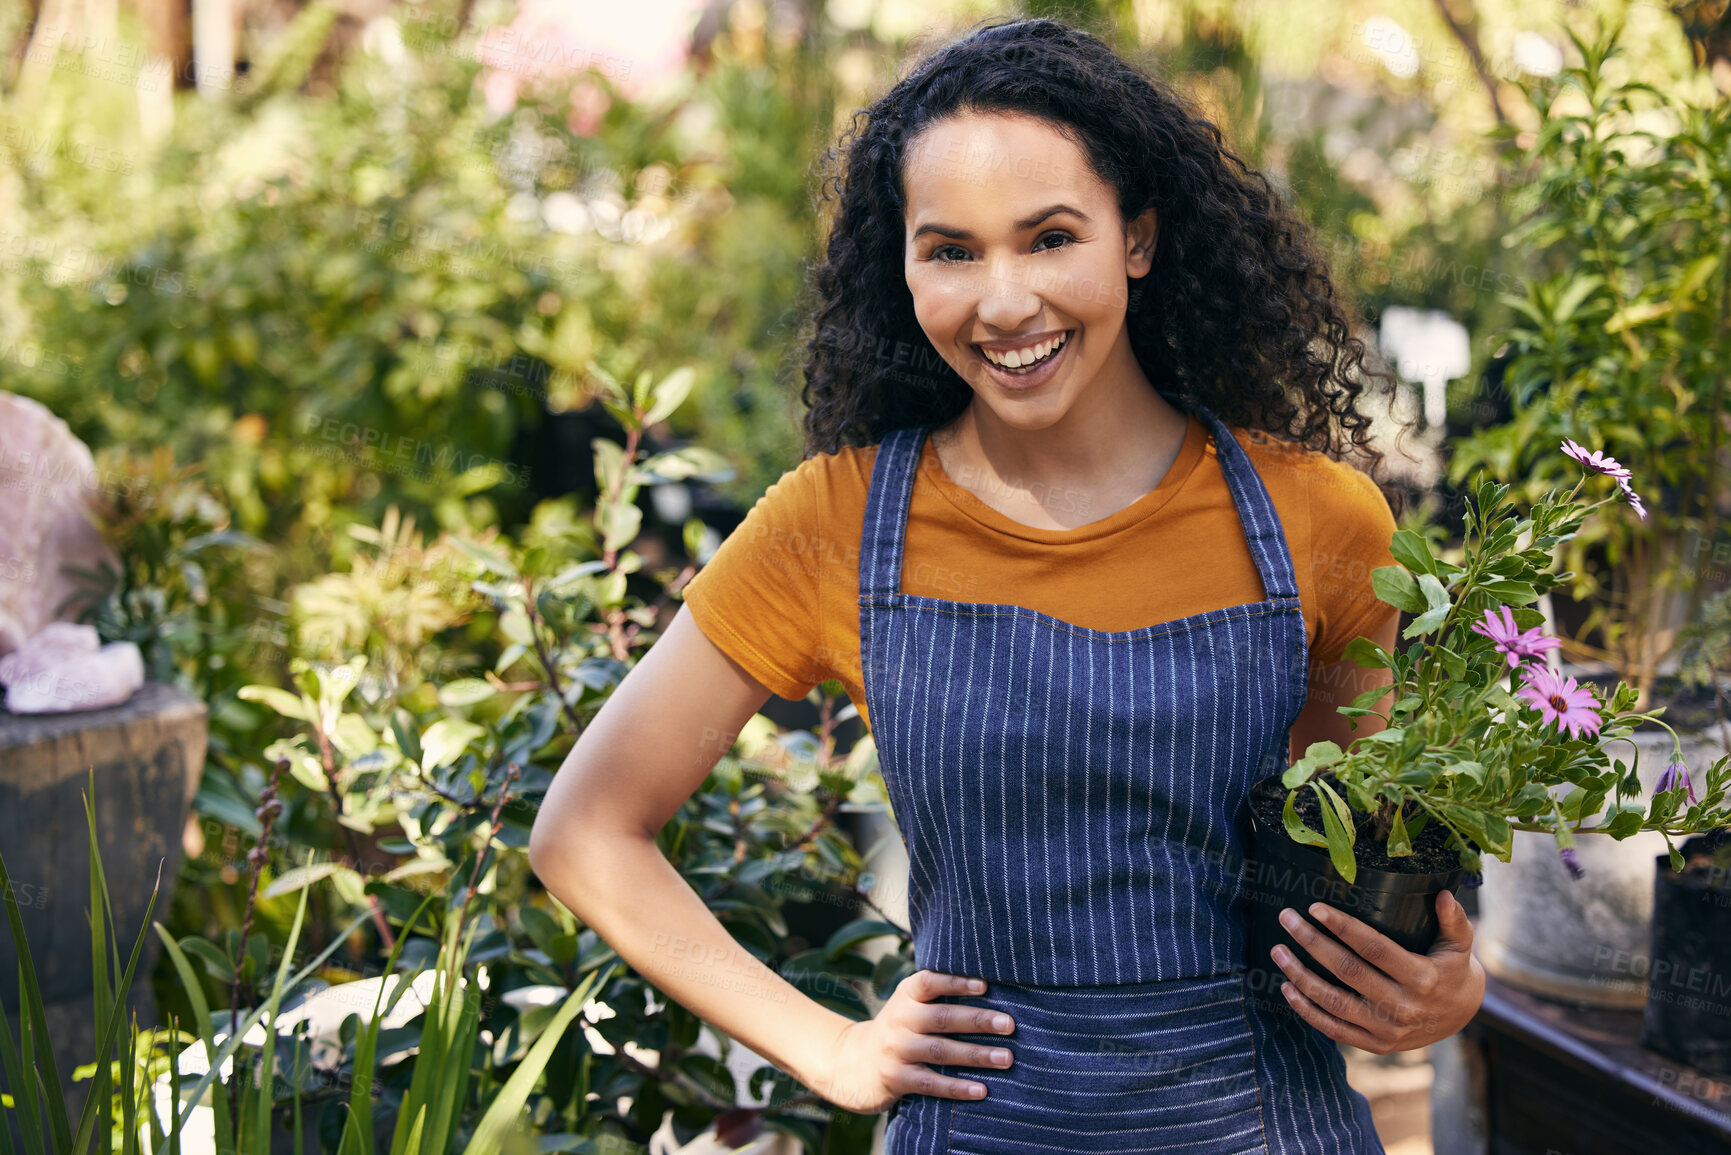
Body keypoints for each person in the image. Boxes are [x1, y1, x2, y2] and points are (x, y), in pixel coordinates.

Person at [530, 15, 1486, 1154]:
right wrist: (828, 1045)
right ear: (904, 266)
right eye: (952, 251)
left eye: (1049, 239)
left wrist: (1442, 989)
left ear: (1136, 238)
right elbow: (586, 831)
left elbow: (1345, 884)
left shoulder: (1319, 520)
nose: (1004, 303)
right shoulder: (836, 524)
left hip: (1263, 1125)